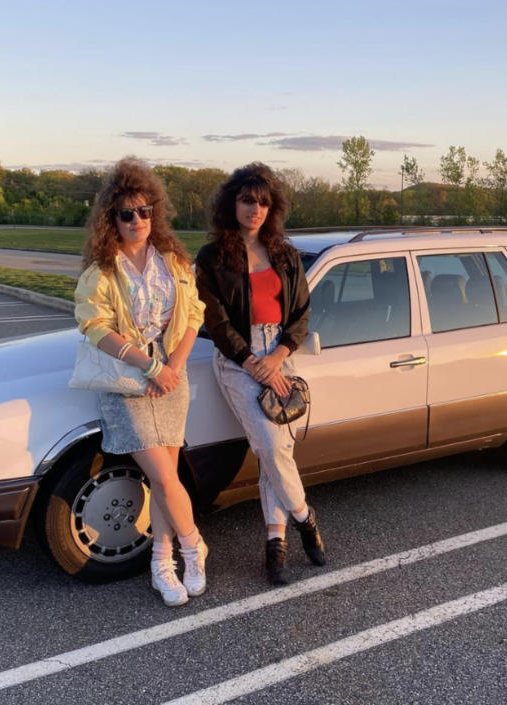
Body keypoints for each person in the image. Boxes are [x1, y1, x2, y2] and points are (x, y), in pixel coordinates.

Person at [74, 157, 207, 607]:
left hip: (172, 381)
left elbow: (193, 315)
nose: (138, 221)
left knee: (163, 481)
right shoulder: (103, 271)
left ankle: (161, 561)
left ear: (155, 212)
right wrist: (150, 368)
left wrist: (173, 368)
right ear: (111, 218)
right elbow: (94, 326)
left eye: (145, 211)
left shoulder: (173, 260)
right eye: (127, 213)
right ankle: (194, 545)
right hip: (129, 383)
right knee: (166, 477)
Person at [195, 162, 326, 585]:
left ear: (273, 208)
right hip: (237, 358)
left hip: (280, 354)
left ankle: (276, 542)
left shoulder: (286, 255)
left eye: (263, 202)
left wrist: (279, 355)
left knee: (277, 451)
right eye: (247, 200)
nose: (255, 209)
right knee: (270, 445)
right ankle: (305, 518)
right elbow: (213, 321)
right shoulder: (212, 257)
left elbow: (302, 314)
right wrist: (254, 362)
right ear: (232, 203)